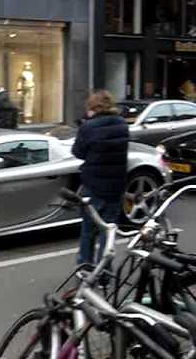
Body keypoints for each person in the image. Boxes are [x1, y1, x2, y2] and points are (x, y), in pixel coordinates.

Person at [72, 90, 129, 273]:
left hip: (94, 186)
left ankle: (85, 267)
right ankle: (105, 270)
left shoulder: (89, 127)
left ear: (93, 107)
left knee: (88, 230)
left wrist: (85, 126)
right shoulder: (122, 124)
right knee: (108, 230)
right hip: (116, 185)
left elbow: (78, 152)